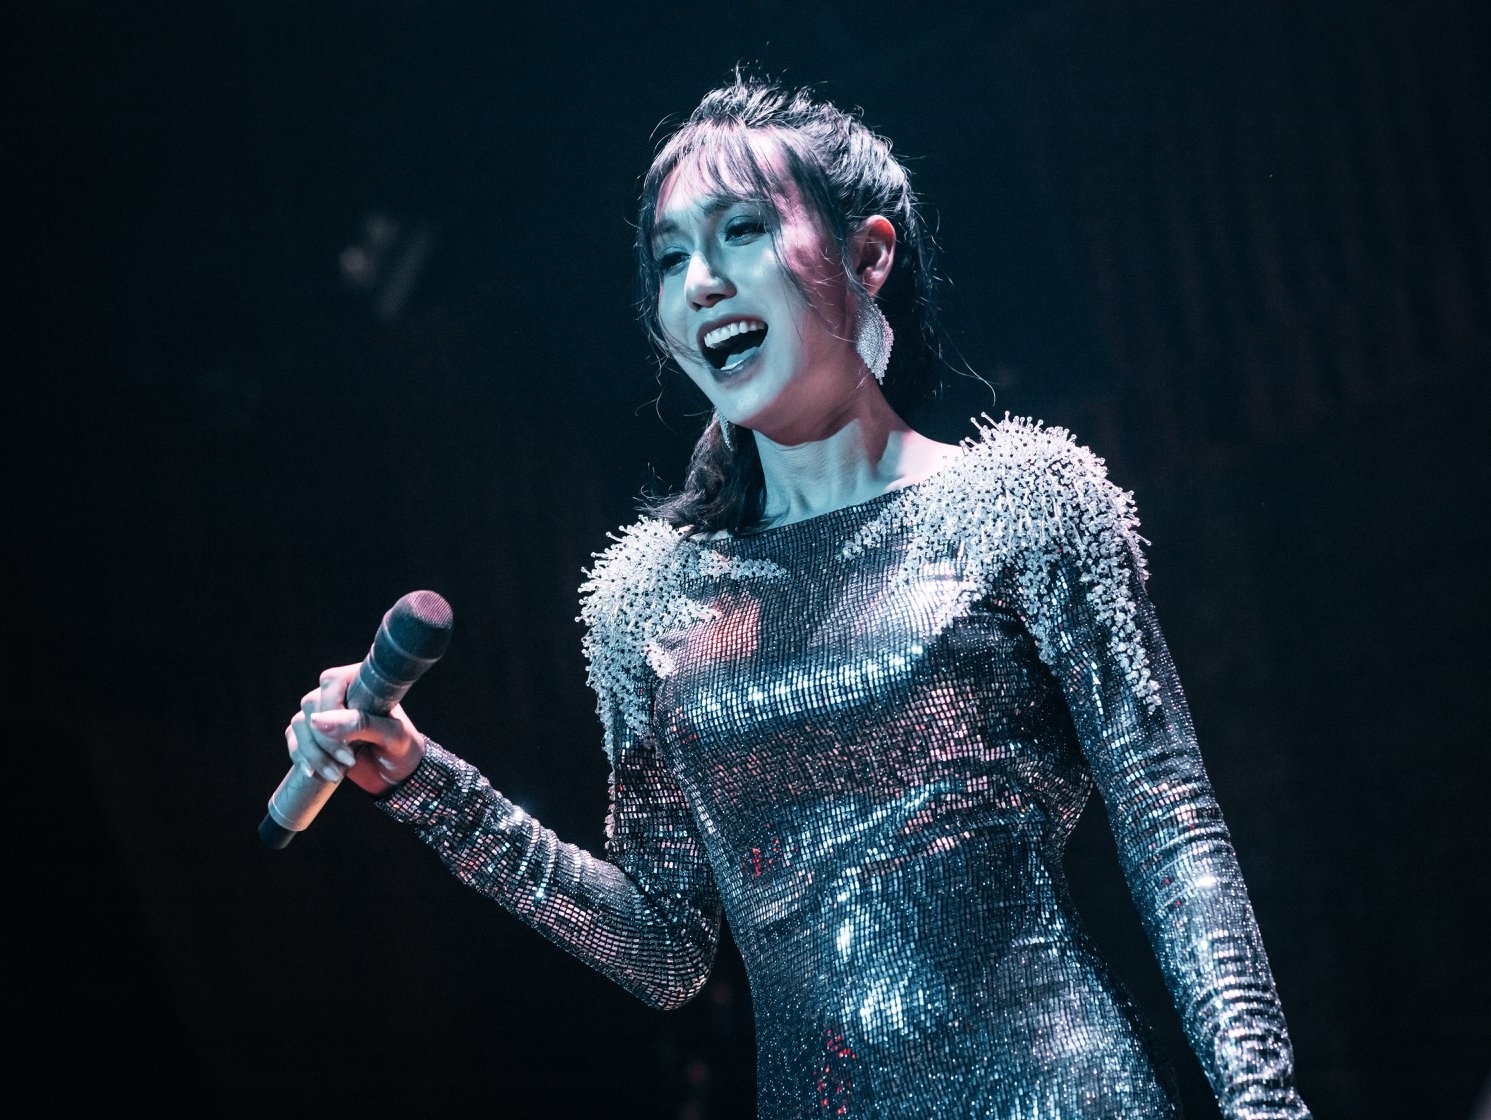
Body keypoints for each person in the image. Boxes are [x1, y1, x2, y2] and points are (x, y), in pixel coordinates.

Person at [285, 74, 1310, 1119]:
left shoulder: (1022, 504)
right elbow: (665, 949)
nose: (700, 283)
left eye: (740, 231)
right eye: (670, 259)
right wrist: (424, 782)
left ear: (867, 254)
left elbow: (1174, 833)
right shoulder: (650, 605)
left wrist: (1265, 1105)